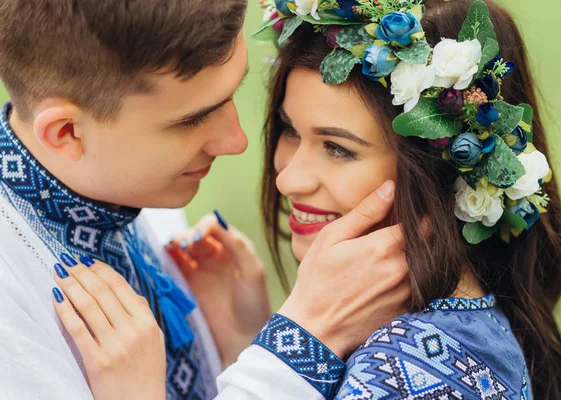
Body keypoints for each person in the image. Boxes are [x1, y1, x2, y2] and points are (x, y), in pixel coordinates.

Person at [56, 0, 561, 399]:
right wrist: (247, 340)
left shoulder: (415, 374)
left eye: (337, 149)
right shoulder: (411, 336)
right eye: (290, 130)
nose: (289, 179)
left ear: (439, 170)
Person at [0, 1, 411, 399]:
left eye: (235, 92)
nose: (238, 141)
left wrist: (235, 347)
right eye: (193, 119)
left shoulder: (126, 191)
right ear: (66, 133)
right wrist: (307, 337)